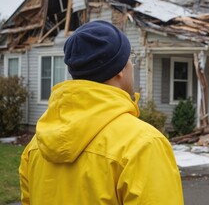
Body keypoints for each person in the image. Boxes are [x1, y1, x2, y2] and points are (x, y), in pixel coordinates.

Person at [19, 20, 184, 204]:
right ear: (120, 69)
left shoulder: (37, 145)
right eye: (130, 58)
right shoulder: (143, 144)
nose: (132, 65)